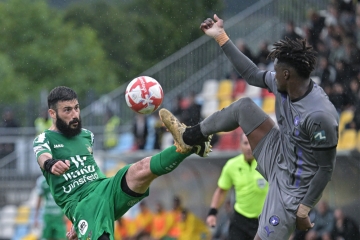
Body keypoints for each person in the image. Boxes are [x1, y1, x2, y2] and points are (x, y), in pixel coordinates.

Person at [159, 14, 339, 240]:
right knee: (244, 106)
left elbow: (326, 169)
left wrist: (304, 207)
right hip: (278, 151)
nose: (271, 73)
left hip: (293, 189)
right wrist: (221, 37)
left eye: (276, 68)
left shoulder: (320, 116)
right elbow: (252, 74)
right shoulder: (283, 83)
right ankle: (190, 137)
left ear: (287, 74)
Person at [32, 86, 212, 240]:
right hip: (82, 203)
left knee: (141, 168)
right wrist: (50, 164)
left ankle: (188, 144)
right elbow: (42, 156)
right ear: (52, 113)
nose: (75, 115)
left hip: (104, 188)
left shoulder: (86, 135)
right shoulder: (44, 138)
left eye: (76, 108)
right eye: (67, 110)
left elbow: (89, 171)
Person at [206, 133, 268, 240]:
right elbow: (221, 190)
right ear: (240, 145)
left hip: (263, 220)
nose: (249, 147)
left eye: (251, 144)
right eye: (245, 143)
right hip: (240, 219)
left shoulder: (266, 163)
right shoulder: (232, 165)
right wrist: (212, 212)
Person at [33, 175, 67, 240]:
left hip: (60, 216)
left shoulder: (62, 178)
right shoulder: (42, 181)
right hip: (48, 216)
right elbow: (39, 200)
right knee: (48, 237)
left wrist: (66, 214)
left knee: (61, 237)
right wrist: (36, 218)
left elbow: (66, 197)